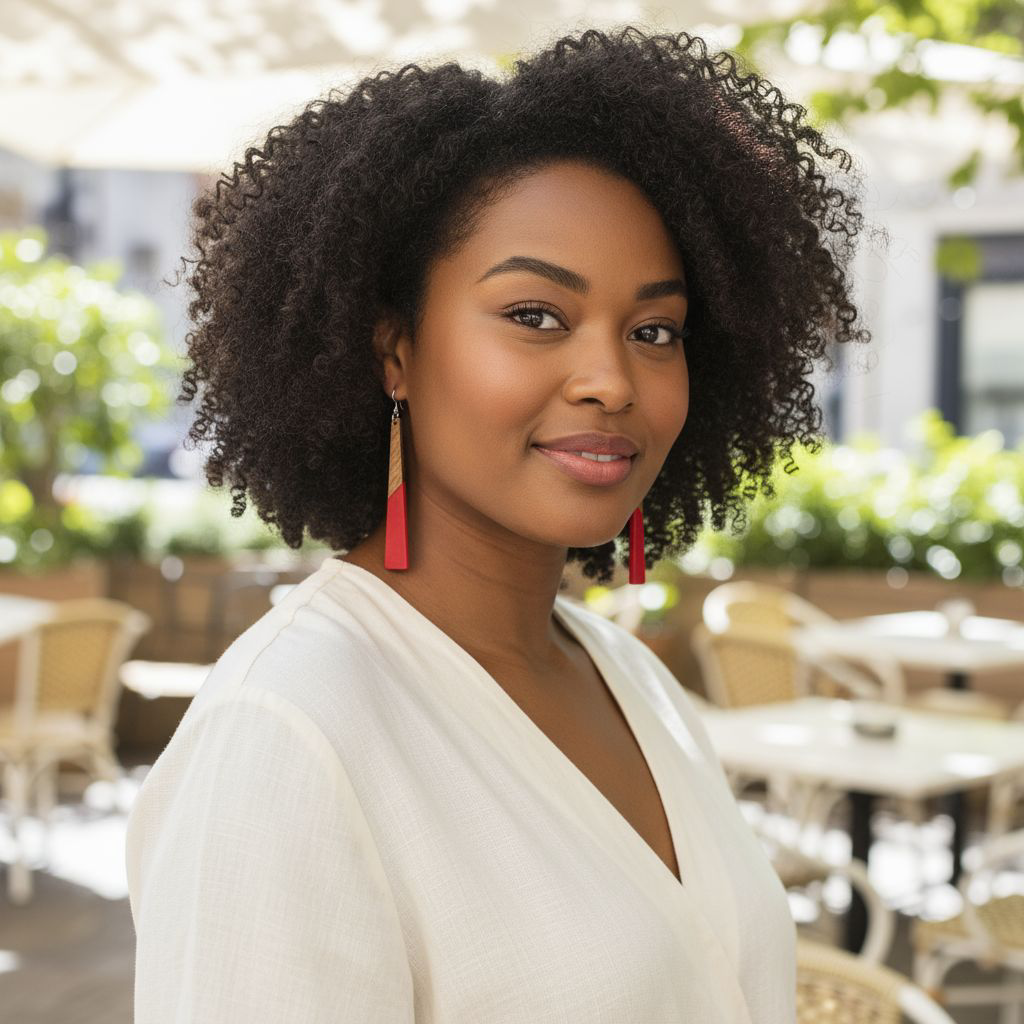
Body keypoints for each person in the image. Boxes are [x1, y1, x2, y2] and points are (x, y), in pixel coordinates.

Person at [126, 25, 873, 1023]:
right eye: (535, 315)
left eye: (655, 331)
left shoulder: (628, 676)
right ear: (394, 351)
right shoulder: (291, 733)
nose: (612, 379)